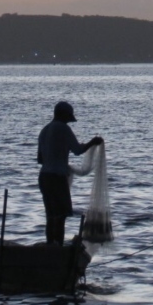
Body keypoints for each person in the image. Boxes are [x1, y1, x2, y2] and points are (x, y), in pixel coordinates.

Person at [37, 101, 103, 245]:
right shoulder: (63, 128)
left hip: (44, 177)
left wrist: (55, 158)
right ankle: (59, 248)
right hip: (57, 178)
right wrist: (93, 142)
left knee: (50, 215)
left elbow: (40, 159)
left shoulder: (44, 130)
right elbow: (78, 150)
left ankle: (50, 246)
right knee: (60, 216)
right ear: (63, 115)